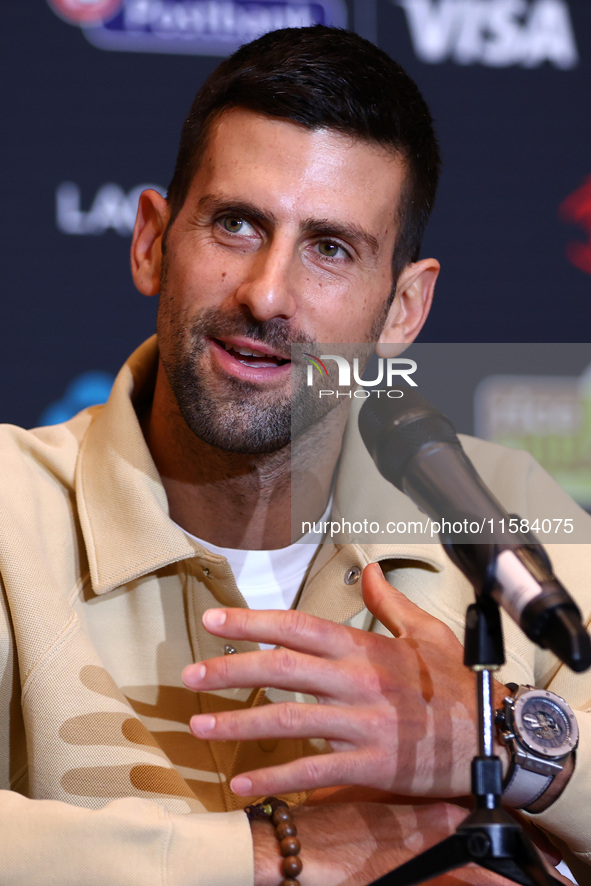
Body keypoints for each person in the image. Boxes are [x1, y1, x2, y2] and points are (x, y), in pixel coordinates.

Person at [0, 23, 588, 886]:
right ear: (151, 243)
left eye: (330, 249)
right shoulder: (13, 505)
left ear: (402, 312)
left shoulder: (497, 501)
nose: (267, 294)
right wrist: (283, 855)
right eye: (236, 224)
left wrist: (495, 736)